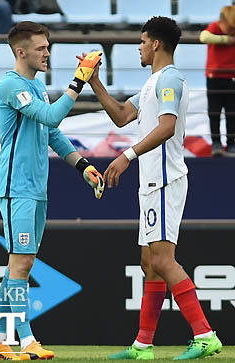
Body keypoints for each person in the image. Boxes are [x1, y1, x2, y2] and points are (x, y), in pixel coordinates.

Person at [83, 16, 223, 360]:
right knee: (149, 262)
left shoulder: (170, 80)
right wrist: (95, 82)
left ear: (156, 44)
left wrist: (126, 156)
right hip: (151, 183)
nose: (140, 47)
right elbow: (119, 115)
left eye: (143, 41)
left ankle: (205, 335)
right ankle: (142, 346)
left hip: (164, 178)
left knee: (162, 259)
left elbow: (166, 127)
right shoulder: (152, 84)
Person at [0, 21, 104, 361]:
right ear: (21, 52)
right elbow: (51, 118)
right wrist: (78, 80)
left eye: (48, 47)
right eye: (41, 48)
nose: (47, 52)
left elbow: (52, 134)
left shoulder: (36, 87)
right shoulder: (11, 85)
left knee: (18, 264)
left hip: (35, 187)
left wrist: (83, 166)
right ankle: (26, 341)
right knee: (21, 264)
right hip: (15, 187)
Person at [200, 5, 235, 157]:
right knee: (214, 112)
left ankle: (232, 144)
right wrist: (226, 39)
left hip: (231, 78)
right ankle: (216, 143)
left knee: (232, 113)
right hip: (214, 77)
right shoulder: (215, 26)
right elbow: (204, 37)